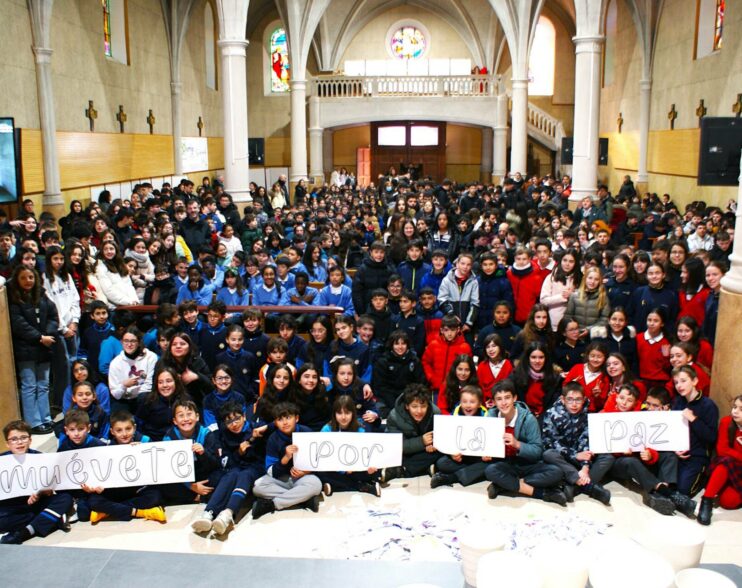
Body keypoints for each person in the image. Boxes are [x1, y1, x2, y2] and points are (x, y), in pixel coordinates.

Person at [484, 381, 567, 506]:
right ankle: (540, 493)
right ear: (494, 402)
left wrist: (518, 444)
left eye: (507, 398)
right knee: (490, 470)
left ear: (515, 398)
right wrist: (486, 454)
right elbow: (487, 446)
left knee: (557, 472)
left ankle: (505, 485)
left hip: (528, 464)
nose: (504, 403)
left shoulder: (528, 418)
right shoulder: (490, 417)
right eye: (499, 399)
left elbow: (537, 451)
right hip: (506, 464)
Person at [191, 400, 267, 536]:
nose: (234, 424)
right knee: (230, 475)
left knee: (245, 475)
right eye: (229, 421)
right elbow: (227, 462)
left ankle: (227, 514)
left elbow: (270, 434)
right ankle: (208, 514)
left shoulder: (256, 428)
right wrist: (239, 452)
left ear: (244, 416)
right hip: (236, 466)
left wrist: (252, 440)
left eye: (237, 418)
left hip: (256, 467)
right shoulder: (223, 435)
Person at [0, 420, 73, 544]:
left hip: (35, 503)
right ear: (7, 443)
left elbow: (50, 487)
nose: (19, 442)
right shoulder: (2, 461)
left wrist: (41, 493)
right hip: (10, 508)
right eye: (14, 439)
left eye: (23, 437)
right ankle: (52, 520)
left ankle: (25, 532)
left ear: (30, 440)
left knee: (65, 499)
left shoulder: (41, 458)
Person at [542, 382, 613, 504]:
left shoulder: (587, 415)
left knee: (608, 457)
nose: (574, 404)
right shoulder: (551, 414)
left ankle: (575, 488)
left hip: (580, 458)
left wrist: (585, 466)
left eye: (578, 400)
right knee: (548, 454)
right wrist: (574, 455)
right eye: (570, 400)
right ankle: (588, 486)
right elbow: (551, 442)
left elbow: (585, 441)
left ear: (584, 399)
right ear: (563, 399)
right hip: (563, 458)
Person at [251, 402, 323, 519]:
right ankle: (303, 499)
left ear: (297, 418)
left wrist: (306, 472)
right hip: (281, 479)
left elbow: (318, 461)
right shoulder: (273, 439)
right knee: (258, 486)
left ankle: (271, 504)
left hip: (302, 478)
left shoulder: (307, 432)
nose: (285, 423)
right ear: (275, 423)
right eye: (280, 419)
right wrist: (285, 458)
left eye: (288, 418)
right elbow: (270, 471)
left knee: (316, 484)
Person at [8, 266, 58, 433]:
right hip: (26, 349)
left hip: (44, 347)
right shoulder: (14, 299)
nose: (28, 281)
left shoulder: (42, 295)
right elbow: (18, 324)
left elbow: (53, 316)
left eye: (31, 277)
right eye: (23, 278)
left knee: (43, 385)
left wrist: (48, 334)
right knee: (29, 385)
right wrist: (39, 337)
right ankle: (33, 422)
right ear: (17, 280)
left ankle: (46, 418)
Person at [317, 396, 382, 497]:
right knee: (319, 473)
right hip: (335, 468)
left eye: (347, 413)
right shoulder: (327, 429)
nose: (343, 417)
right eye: (339, 413)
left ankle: (335, 486)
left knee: (375, 471)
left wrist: (368, 466)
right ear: (334, 414)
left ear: (353, 413)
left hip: (354, 468)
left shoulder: (360, 429)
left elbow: (365, 453)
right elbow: (323, 456)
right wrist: (342, 469)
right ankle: (361, 486)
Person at [431, 386, 493, 488]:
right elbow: (448, 439)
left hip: (479, 459)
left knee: (491, 466)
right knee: (441, 463)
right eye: (464, 401)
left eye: (472, 402)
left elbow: (491, 442)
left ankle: (451, 478)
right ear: (460, 402)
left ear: (479, 404)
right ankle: (471, 472)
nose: (468, 405)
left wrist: (487, 454)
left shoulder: (487, 416)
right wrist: (452, 454)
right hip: (461, 458)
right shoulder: (455, 415)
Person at [671, 366, 719, 497]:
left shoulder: (708, 405)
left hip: (697, 456)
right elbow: (672, 430)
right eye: (676, 382)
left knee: (684, 491)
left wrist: (693, 419)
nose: (679, 385)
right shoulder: (678, 402)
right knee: (667, 484)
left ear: (694, 381)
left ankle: (704, 478)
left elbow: (711, 437)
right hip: (679, 454)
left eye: (683, 381)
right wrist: (675, 449)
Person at [382, 383, 442, 483]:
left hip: (425, 452)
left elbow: (441, 438)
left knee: (441, 453)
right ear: (407, 406)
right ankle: (424, 468)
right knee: (391, 454)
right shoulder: (394, 416)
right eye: (414, 406)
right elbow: (397, 446)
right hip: (404, 451)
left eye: (423, 406)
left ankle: (401, 470)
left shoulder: (435, 413)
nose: (419, 411)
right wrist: (422, 441)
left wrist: (434, 444)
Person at [697, 395, 742, 525]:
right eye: (734, 407)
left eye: (741, 409)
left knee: (730, 502)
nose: (735, 411)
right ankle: (707, 500)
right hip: (730, 465)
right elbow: (722, 449)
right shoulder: (726, 422)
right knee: (725, 461)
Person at [372, 330, 425, 417]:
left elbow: (420, 384)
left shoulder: (414, 361)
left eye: (403, 344)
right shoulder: (383, 362)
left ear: (407, 345)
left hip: (409, 399)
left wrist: (407, 401)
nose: (400, 347)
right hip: (387, 400)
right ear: (391, 345)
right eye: (397, 344)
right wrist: (394, 405)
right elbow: (380, 387)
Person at [108, 326, 158, 413]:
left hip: (143, 397)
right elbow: (115, 394)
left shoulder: (150, 357)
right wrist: (124, 385)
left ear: (139, 342)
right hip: (123, 399)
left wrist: (137, 395)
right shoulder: (115, 363)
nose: (129, 344)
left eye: (133, 341)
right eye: (126, 341)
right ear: (121, 342)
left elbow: (149, 385)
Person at [422, 315, 472, 398]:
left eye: (452, 330)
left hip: (456, 389)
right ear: (441, 330)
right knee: (437, 411)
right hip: (436, 388)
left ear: (458, 330)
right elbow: (425, 362)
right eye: (446, 330)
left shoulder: (464, 347)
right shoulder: (433, 345)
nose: (449, 333)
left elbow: (469, 368)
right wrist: (431, 378)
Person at [509, 342, 561, 420]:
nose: (537, 361)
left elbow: (554, 405)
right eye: (533, 357)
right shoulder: (515, 376)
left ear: (546, 358)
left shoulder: (555, 379)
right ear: (528, 358)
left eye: (541, 357)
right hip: (521, 418)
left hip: (546, 419)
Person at [438, 252, 480, 340]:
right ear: (457, 264)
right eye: (463, 263)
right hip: (450, 323)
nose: (465, 267)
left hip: (467, 325)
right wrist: (452, 316)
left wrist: (469, 323)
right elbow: (442, 300)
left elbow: (475, 304)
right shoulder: (447, 280)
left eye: (468, 264)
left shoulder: (473, 282)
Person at [563, 342, 611, 412]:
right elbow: (564, 388)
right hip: (571, 409)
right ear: (588, 355)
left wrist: (597, 396)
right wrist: (572, 384)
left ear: (605, 358)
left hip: (590, 413)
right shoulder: (577, 368)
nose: (595, 359)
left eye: (599, 357)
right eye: (592, 356)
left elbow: (601, 405)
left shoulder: (604, 378)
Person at [540, 248, 581, 330]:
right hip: (554, 323)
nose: (567, 264)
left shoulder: (580, 278)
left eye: (571, 261)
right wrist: (562, 297)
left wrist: (572, 295)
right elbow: (543, 300)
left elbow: (584, 298)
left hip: (574, 324)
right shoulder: (551, 277)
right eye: (565, 260)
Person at [564, 266, 610, 334]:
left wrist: (589, 330)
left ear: (600, 281)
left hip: (593, 334)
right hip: (575, 333)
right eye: (590, 278)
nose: (592, 281)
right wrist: (575, 329)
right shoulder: (574, 295)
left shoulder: (604, 298)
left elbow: (604, 319)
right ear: (585, 278)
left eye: (596, 279)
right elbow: (568, 316)